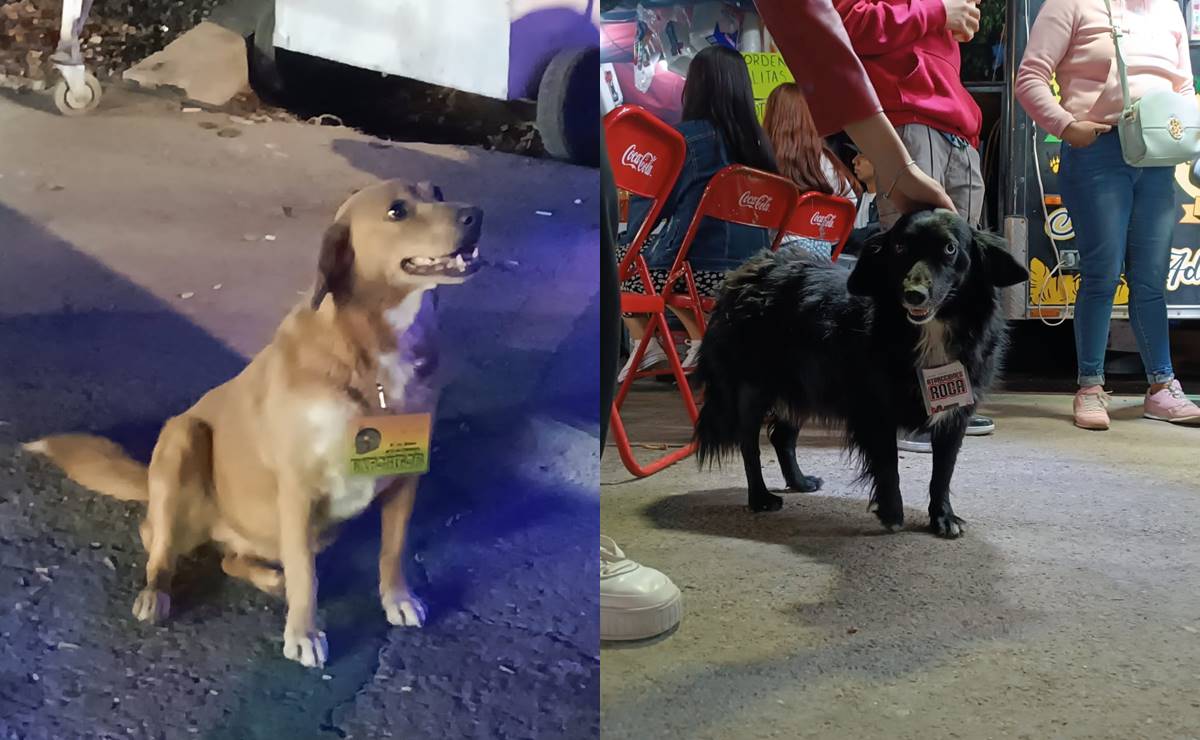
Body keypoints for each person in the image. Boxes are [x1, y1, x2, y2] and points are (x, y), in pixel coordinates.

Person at [1016, 0, 1200, 429]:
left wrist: (1186, 136)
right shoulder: (1070, 4)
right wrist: (1065, 125)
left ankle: (1161, 387)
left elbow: (1184, 87)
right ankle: (1091, 387)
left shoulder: (1168, 11)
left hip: (1157, 154)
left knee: (1150, 277)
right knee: (1102, 271)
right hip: (1096, 149)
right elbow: (1029, 77)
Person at [830, 0, 997, 451]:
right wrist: (938, 13)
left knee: (949, 282)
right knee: (910, 277)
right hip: (910, 118)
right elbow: (845, 21)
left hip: (955, 128)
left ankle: (942, 406)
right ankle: (907, 411)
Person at [616, 44, 778, 383]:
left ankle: (649, 345)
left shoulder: (683, 140)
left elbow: (649, 215)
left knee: (611, 254)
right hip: (758, 274)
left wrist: (631, 241)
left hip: (699, 275)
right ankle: (700, 341)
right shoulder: (759, 147)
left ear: (696, 87)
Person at [762, 82, 861, 259]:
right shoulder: (826, 161)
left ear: (772, 116)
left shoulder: (763, 158)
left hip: (775, 260)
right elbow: (849, 205)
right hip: (821, 260)